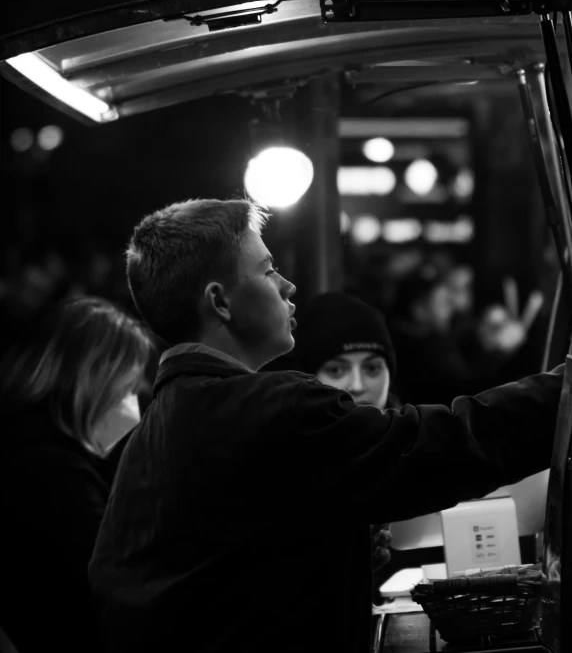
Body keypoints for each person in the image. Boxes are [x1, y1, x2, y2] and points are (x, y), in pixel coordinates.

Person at [88, 198, 563, 653]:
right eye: (268, 269)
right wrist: (563, 392)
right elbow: (437, 449)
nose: (287, 285)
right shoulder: (269, 407)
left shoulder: (155, 428)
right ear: (221, 302)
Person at [0, 297, 151, 653]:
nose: (134, 405)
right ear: (95, 381)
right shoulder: (56, 476)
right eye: (129, 388)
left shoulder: (23, 444)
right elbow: (113, 593)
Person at [293, 290, 397, 596]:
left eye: (372, 368)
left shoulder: (408, 442)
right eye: (337, 370)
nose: (358, 385)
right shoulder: (293, 463)